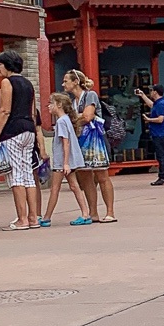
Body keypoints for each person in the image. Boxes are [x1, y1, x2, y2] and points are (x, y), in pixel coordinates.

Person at [0, 51, 42, 231]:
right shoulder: (28, 84)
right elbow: (32, 111)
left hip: (12, 130)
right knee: (28, 174)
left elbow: (5, 110)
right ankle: (33, 217)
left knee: (16, 175)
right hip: (28, 129)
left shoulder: (7, 82)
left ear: (7, 65)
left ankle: (22, 219)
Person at [63, 69, 116, 222]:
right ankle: (93, 212)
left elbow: (88, 116)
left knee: (102, 175)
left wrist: (73, 120)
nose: (64, 84)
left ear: (75, 82)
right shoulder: (72, 101)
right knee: (85, 177)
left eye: (66, 81)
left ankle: (110, 212)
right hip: (81, 139)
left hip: (95, 139)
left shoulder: (90, 95)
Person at [41, 92, 94, 225]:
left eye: (51, 103)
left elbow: (66, 142)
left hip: (62, 162)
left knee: (55, 189)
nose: (48, 106)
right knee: (74, 186)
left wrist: (65, 163)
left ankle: (47, 217)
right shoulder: (66, 120)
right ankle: (85, 213)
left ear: (59, 105)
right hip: (69, 161)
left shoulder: (60, 122)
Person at [138, 82, 164, 183]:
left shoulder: (161, 104)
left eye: (152, 91)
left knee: (161, 156)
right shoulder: (159, 102)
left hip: (160, 133)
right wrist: (142, 95)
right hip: (160, 133)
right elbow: (151, 104)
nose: (151, 92)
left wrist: (149, 119)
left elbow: (160, 119)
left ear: (155, 92)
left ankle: (163, 177)